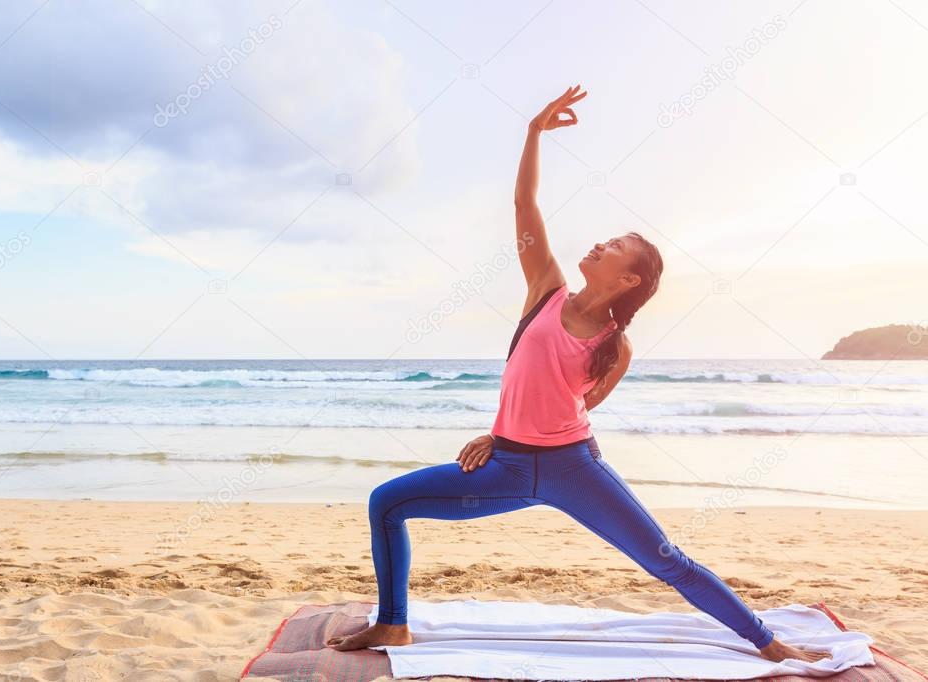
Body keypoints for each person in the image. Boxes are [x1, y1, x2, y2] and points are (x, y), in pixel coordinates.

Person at [327, 85, 829, 663]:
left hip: (574, 469)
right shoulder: (545, 290)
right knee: (387, 502)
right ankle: (393, 625)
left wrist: (529, 434)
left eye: (615, 245)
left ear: (630, 279)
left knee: (664, 558)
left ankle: (768, 641)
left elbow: (577, 409)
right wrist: (534, 133)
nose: (599, 242)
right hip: (506, 467)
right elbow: (525, 208)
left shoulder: (617, 348)